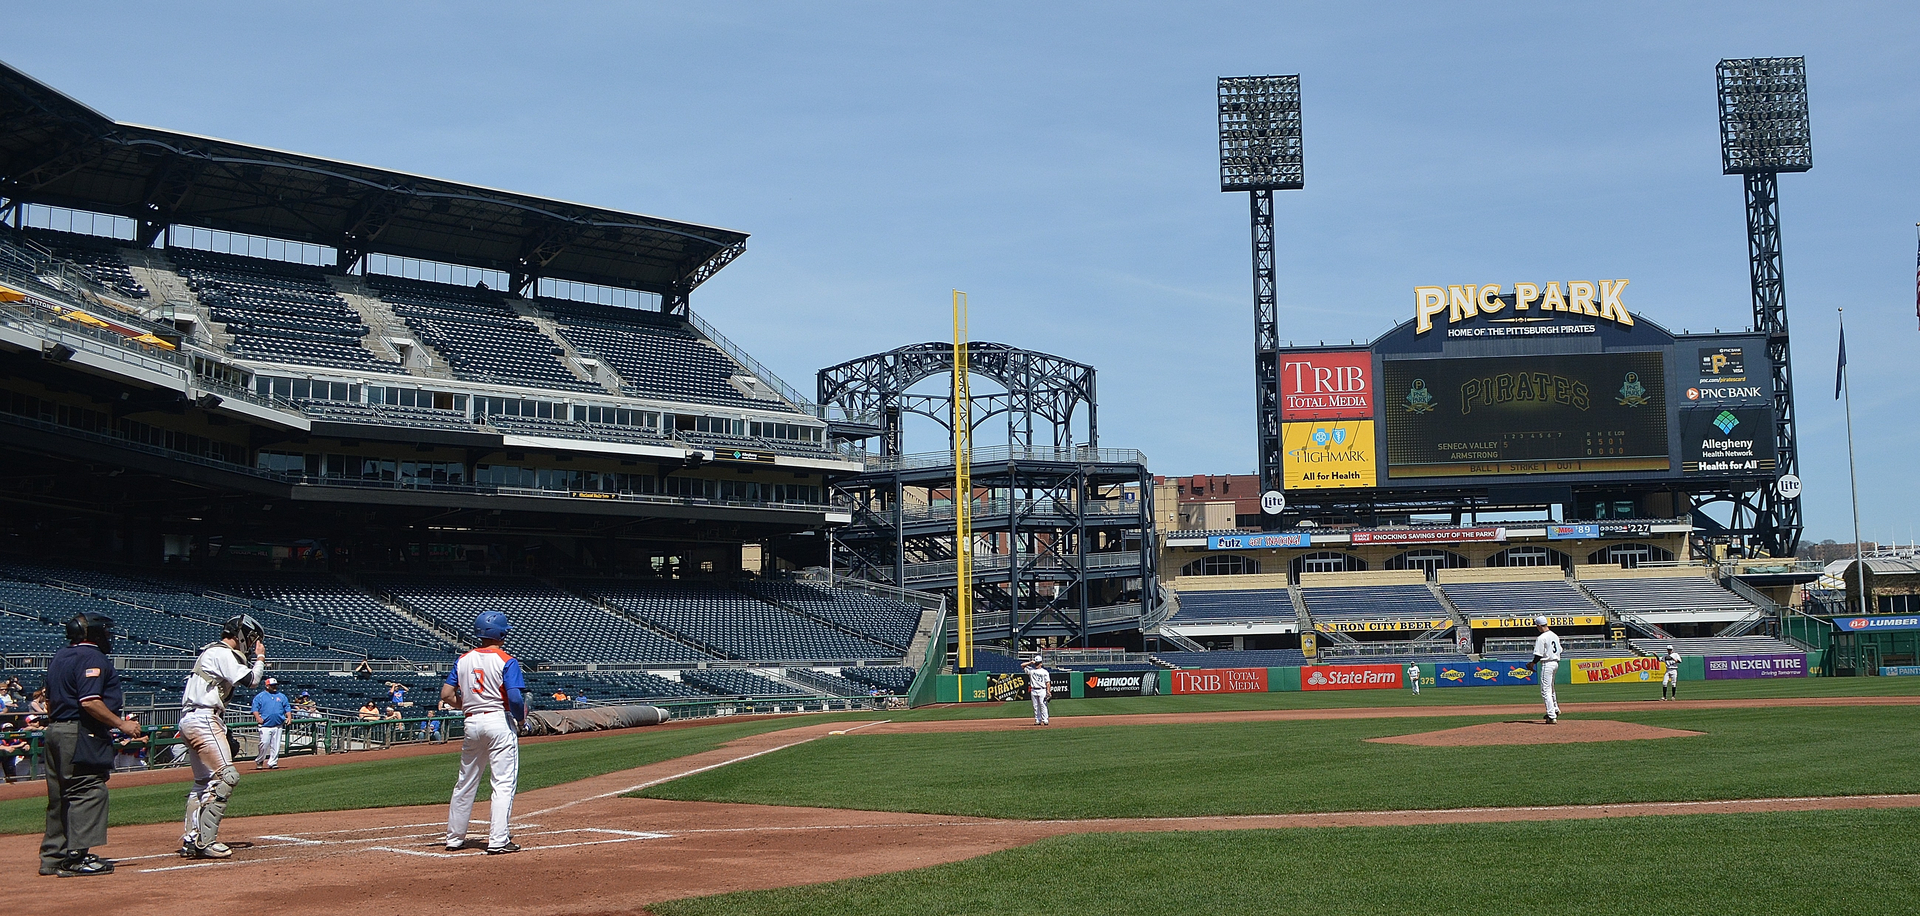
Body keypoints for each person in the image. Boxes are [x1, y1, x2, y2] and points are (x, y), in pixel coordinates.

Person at [42, 612, 142, 877]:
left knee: (60, 796)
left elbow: (49, 702)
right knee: (88, 789)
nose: (108, 637)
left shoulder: (60, 656)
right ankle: (77, 857)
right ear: (94, 634)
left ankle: (53, 857)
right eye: (105, 632)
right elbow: (90, 701)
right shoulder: (92, 656)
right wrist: (122, 724)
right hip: (80, 730)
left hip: (55, 729)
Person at [178, 614, 266, 859]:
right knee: (226, 777)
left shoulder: (211, 653)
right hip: (205, 717)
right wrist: (260, 658)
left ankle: (191, 839)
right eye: (251, 639)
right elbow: (251, 680)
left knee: (203, 782)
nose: (251, 644)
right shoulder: (221, 653)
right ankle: (205, 841)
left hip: (192, 718)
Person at [445, 610, 525, 855]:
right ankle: (499, 839)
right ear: (500, 633)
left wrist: (469, 704)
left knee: (465, 782)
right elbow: (514, 697)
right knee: (502, 783)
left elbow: (447, 696)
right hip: (498, 722)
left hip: (471, 723)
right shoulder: (506, 660)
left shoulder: (462, 660)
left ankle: (454, 838)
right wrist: (521, 718)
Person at [1527, 615, 1562, 724]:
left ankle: (1551, 716)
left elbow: (1538, 654)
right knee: (1550, 688)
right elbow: (1560, 650)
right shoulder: (1554, 635)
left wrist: (1532, 663)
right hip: (1555, 662)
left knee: (1545, 690)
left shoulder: (1542, 637)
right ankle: (1555, 709)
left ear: (1538, 626)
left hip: (1547, 663)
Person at [251, 677, 291, 770]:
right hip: (265, 725)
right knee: (264, 743)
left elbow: (287, 707)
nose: (274, 687)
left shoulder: (281, 696)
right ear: (267, 686)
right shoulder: (260, 696)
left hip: (278, 724)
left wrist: (289, 717)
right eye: (272, 685)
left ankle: (273, 762)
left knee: (276, 745)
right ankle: (260, 760)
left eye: (275, 685)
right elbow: (255, 709)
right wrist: (258, 718)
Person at [1021, 654, 1051, 726]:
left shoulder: (1044, 671)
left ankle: (1045, 720)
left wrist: (1048, 691)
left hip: (1042, 689)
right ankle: (1038, 720)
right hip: (1033, 689)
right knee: (1035, 706)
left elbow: (1048, 683)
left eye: (1038, 663)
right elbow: (1022, 665)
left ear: (1041, 663)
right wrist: (1031, 662)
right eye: (1036, 663)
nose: (1037, 664)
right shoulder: (1031, 670)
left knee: (1043, 705)